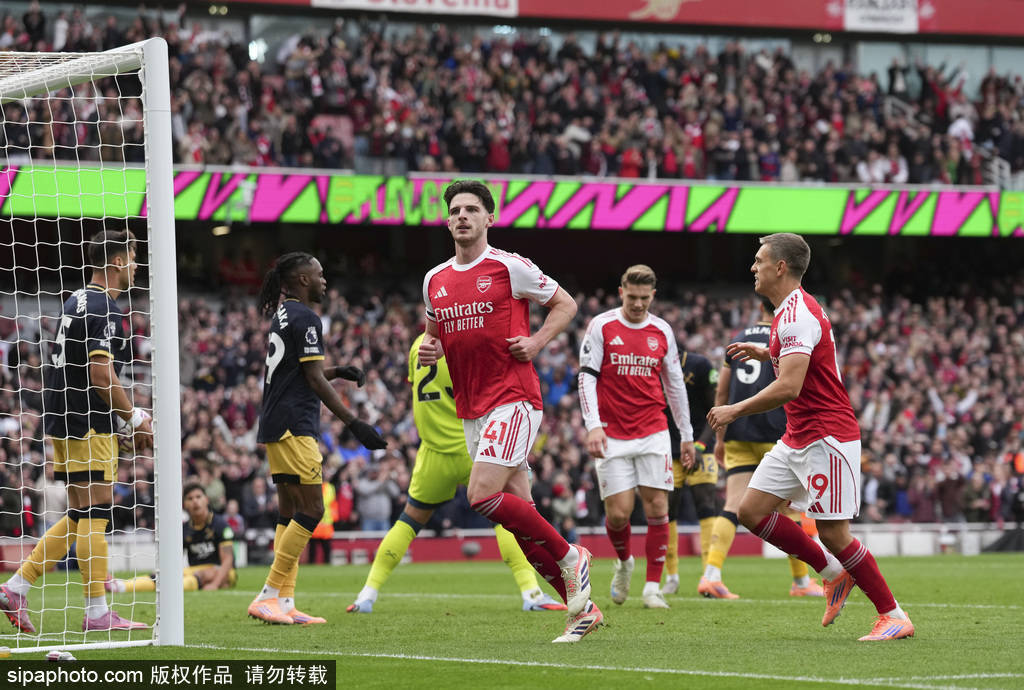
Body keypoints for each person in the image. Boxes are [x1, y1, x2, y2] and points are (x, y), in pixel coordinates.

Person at [707, 233, 914, 641]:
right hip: (797, 435)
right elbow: (803, 360)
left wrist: (734, 409)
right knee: (751, 511)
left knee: (834, 532)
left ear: (780, 267)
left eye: (759, 260)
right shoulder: (787, 311)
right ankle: (833, 573)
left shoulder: (796, 314)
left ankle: (893, 615)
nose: (753, 267)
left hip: (826, 436)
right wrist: (766, 353)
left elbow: (789, 387)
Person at [419, 180, 598, 644]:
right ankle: (583, 610)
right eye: (455, 210)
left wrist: (537, 342)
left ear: (489, 218)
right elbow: (434, 334)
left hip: (513, 397)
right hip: (471, 408)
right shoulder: (434, 279)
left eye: (471, 209)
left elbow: (566, 304)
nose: (462, 216)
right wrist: (431, 349)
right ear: (447, 220)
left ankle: (572, 556)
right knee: (521, 524)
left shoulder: (509, 266)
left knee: (481, 496)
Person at [346, 333, 567, 614]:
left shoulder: (417, 346)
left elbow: (416, 388)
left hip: (433, 452)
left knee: (408, 521)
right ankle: (532, 593)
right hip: (473, 447)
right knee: (507, 518)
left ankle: (367, 595)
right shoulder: (462, 342)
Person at [0, 229, 152, 633]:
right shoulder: (106, 307)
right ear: (117, 261)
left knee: (79, 514)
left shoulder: (76, 299)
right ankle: (97, 612)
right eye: (133, 257)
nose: (136, 265)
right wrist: (133, 418)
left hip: (63, 417)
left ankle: (16, 587)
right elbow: (101, 374)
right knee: (97, 513)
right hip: (88, 420)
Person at [246, 251, 387, 626]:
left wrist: (336, 370)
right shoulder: (307, 317)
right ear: (303, 280)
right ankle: (268, 594)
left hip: (276, 422)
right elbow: (311, 378)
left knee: (289, 512)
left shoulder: (284, 314)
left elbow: (298, 369)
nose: (325, 280)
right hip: (295, 424)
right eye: (320, 274)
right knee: (312, 511)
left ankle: (284, 600)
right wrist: (354, 423)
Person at [578, 265, 695, 610]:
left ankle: (653, 587)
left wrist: (686, 434)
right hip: (611, 433)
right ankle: (624, 562)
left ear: (653, 295)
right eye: (632, 297)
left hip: (653, 431)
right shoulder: (601, 325)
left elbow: (675, 384)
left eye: (645, 298)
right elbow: (586, 377)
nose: (638, 304)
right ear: (621, 292)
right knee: (619, 514)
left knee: (658, 506)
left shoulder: (662, 330)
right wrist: (593, 425)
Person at [699, 299, 824, 599]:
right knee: (787, 509)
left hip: (738, 432)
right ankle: (801, 582)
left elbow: (721, 393)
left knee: (732, 504)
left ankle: (711, 575)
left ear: (759, 309)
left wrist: (719, 438)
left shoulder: (737, 338)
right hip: (775, 430)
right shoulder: (786, 336)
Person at [661, 349, 718, 595]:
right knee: (667, 510)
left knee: (705, 505)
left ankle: (710, 575)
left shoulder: (700, 365)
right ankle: (672, 576)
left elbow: (714, 409)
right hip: (667, 450)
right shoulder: (651, 367)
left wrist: (700, 445)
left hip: (700, 447)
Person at [109, 483, 236, 593]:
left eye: (198, 497)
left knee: (203, 574)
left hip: (224, 571)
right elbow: (174, 558)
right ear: (185, 504)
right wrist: (165, 572)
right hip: (194, 571)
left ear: (206, 500)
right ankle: (120, 586)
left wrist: (215, 584)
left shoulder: (220, 524)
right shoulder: (184, 529)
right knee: (165, 576)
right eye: (190, 498)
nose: (195, 501)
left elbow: (228, 560)